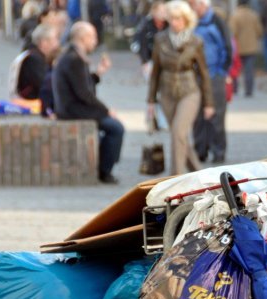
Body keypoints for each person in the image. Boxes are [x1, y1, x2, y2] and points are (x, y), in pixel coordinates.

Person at [53, 21, 125, 183]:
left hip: (73, 107)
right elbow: (84, 93)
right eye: (93, 37)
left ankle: (103, 163)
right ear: (83, 38)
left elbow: (82, 85)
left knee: (112, 126)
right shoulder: (74, 59)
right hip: (72, 110)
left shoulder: (74, 55)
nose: (95, 41)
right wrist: (106, 111)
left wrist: (99, 72)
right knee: (116, 128)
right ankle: (104, 171)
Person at [147, 0, 213, 175]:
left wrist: (209, 103)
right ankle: (200, 175)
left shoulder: (195, 41)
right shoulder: (160, 39)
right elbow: (155, 72)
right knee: (180, 138)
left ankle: (175, 178)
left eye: (178, 19)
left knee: (178, 132)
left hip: (189, 91)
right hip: (167, 91)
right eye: (172, 18)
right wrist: (151, 101)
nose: (175, 22)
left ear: (186, 20)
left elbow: (204, 73)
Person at [188, 0, 231, 164]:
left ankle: (218, 151)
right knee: (197, 115)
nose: (193, 8)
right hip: (196, 76)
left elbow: (227, 47)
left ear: (203, 5)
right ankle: (200, 150)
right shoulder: (191, 22)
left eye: (195, 5)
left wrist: (222, 71)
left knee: (216, 115)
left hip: (214, 74)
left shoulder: (217, 21)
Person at [11, 24, 60, 100]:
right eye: (55, 39)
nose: (57, 44)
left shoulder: (37, 56)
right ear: (44, 43)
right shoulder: (34, 59)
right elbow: (44, 84)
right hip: (31, 103)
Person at [229, 0, 262, 97]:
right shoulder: (254, 15)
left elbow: (232, 32)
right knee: (249, 70)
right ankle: (249, 90)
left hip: (238, 47)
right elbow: (259, 31)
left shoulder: (235, 16)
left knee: (235, 68)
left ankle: (235, 89)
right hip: (251, 47)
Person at [134, 0, 168, 79]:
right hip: (151, 59)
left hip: (167, 60)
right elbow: (141, 44)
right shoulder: (146, 25)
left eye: (165, 11)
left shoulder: (169, 25)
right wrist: (145, 62)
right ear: (154, 11)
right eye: (161, 11)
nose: (163, 13)